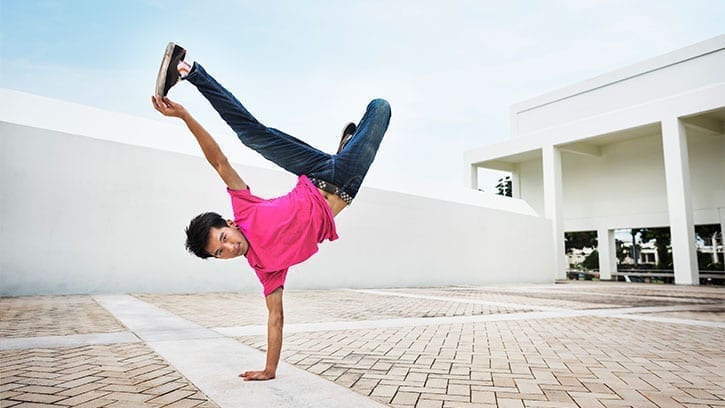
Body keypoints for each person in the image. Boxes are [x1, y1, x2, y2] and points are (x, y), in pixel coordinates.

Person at [151, 42, 391, 381]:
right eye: (220, 253)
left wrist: (186, 116)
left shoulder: (245, 210)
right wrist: (269, 369)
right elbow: (275, 318)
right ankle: (347, 149)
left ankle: (187, 70)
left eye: (224, 238)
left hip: (314, 170)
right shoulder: (266, 269)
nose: (230, 248)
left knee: (252, 135)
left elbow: (218, 160)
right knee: (381, 108)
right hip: (346, 183)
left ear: (230, 224)